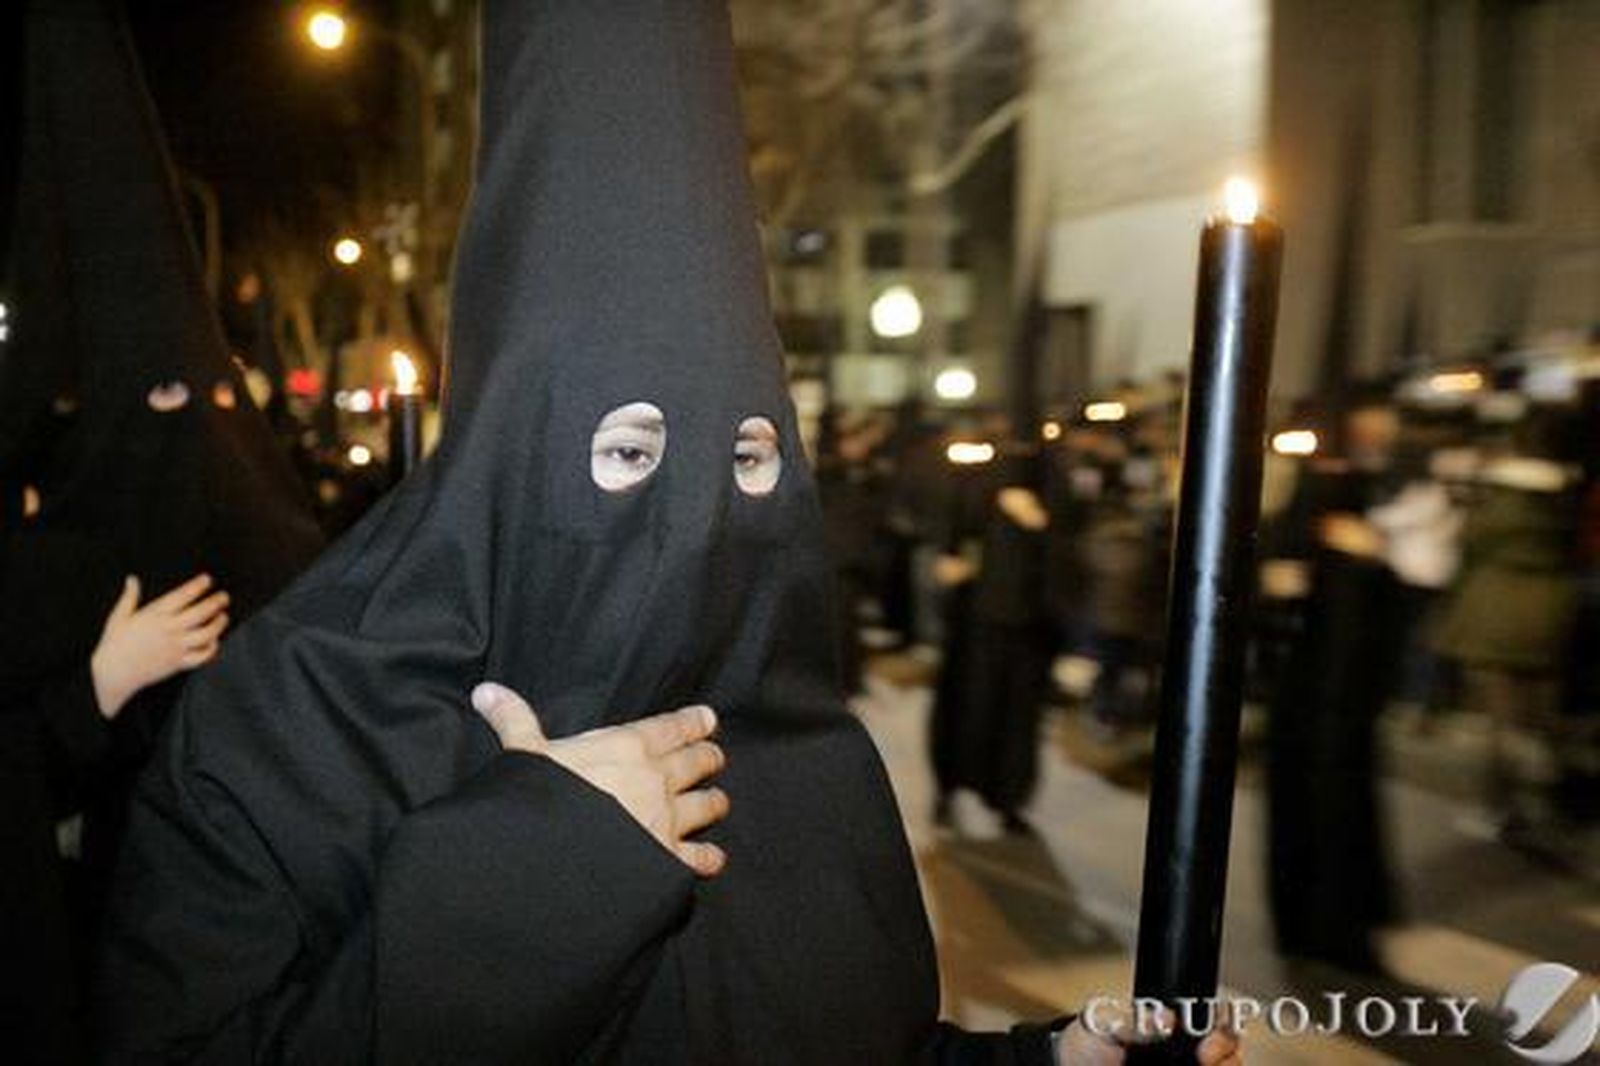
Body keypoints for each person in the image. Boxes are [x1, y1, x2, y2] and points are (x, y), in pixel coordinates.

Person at [99, 4, 1238, 1064]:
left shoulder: (799, 740)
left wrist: (1038, 1058)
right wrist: (524, 876)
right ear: (515, 447)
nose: (696, 517)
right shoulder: (298, 724)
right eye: (627, 455)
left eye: (747, 458)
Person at [1, 2, 322, 1059]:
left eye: (209, 405)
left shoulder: (279, 561)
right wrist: (99, 683)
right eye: (155, 411)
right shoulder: (61, 573)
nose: (188, 436)